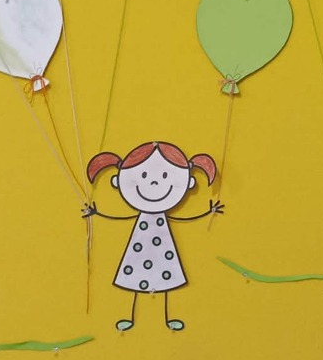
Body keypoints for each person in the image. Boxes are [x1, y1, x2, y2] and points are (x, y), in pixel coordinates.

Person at [83, 141, 222, 331]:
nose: (154, 183)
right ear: (117, 181)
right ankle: (131, 317)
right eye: (144, 175)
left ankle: (167, 318)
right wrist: (95, 213)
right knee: (135, 277)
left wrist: (209, 211)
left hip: (163, 248)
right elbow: (123, 216)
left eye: (165, 175)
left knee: (165, 278)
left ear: (189, 182)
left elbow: (181, 218)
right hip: (139, 246)